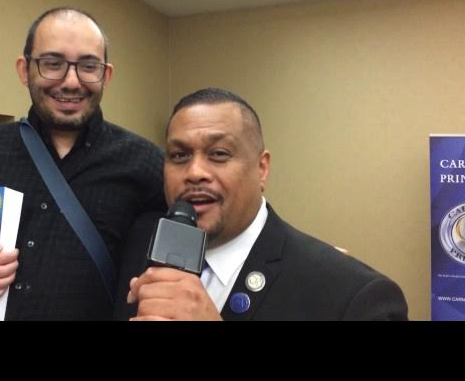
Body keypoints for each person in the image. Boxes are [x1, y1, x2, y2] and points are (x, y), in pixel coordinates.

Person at [0, 7, 166, 320]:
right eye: (53, 64)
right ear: (24, 70)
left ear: (106, 75)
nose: (71, 82)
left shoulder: (145, 163)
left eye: (88, 66)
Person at [116, 88, 408, 321]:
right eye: (179, 156)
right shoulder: (139, 248)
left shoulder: (351, 294)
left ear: (262, 168)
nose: (194, 172)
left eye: (219, 154)